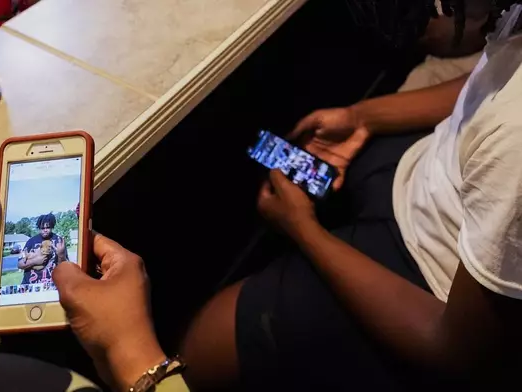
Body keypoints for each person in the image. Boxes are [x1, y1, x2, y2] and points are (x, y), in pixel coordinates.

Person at [181, 1, 522, 390]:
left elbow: (458, 352)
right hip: (436, 171)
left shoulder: (517, 139)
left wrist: (304, 231)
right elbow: (492, 80)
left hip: (435, 283)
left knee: (207, 347)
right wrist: (365, 117)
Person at [0, 197, 189, 391]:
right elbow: (24, 262)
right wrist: (133, 356)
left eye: (46, 225)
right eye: (41, 225)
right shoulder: (29, 243)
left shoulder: (58, 241)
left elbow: (65, 265)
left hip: (52, 292)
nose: (43, 229)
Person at [17, 213, 68, 285]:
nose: (45, 230)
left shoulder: (59, 241)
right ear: (39, 228)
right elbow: (19, 264)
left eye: (47, 227)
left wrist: (61, 255)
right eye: (42, 228)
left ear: (52, 227)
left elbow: (64, 268)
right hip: (30, 285)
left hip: (52, 285)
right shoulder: (31, 241)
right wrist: (35, 261)